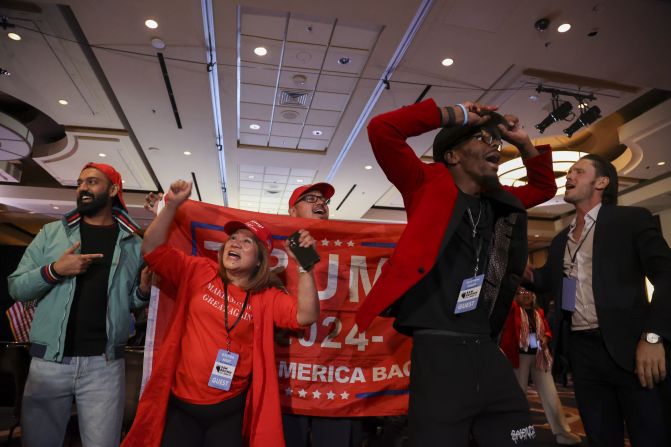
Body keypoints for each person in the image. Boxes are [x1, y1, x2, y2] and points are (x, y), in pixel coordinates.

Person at [355, 99, 557, 446]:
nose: (495, 146)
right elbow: (382, 129)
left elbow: (544, 188)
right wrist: (455, 114)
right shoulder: (424, 183)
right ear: (452, 156)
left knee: (519, 436)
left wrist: (524, 143)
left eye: (496, 142)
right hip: (438, 349)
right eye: (483, 139)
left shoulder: (498, 199)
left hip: (485, 345)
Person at [122, 179, 321, 447]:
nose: (235, 244)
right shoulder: (200, 271)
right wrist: (172, 206)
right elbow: (152, 250)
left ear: (260, 259)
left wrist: (304, 267)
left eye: (246, 241)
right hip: (181, 406)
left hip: (228, 411)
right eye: (232, 238)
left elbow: (305, 316)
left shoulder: (266, 297)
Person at [524, 154, 671, 446]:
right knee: (600, 436)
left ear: (601, 182)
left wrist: (653, 337)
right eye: (568, 172)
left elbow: (667, 276)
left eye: (578, 171)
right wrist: (513, 264)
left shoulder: (630, 220)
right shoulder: (559, 241)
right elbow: (545, 282)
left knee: (650, 434)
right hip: (582, 354)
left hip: (631, 350)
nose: (569, 176)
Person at [8, 162, 150, 447]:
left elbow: (129, 301)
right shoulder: (51, 233)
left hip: (105, 366)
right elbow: (17, 287)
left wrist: (143, 292)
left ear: (113, 190)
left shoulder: (133, 244)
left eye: (92, 182)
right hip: (48, 364)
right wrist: (55, 270)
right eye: (80, 182)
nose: (83, 188)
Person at [500, 287, 581, 445]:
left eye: (530, 292)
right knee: (519, 396)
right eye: (523, 292)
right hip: (519, 356)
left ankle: (563, 433)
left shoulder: (539, 313)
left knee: (551, 394)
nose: (527, 295)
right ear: (517, 295)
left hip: (538, 355)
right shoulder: (513, 310)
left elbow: (548, 331)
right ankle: (516, 434)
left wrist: (545, 338)